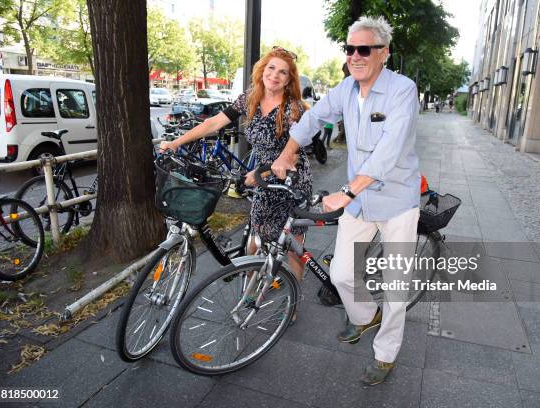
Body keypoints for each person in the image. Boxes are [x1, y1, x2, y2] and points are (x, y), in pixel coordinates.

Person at [271, 16, 420, 385]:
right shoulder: (346, 89)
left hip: (397, 199)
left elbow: (389, 151)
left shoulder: (403, 89)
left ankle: (385, 354)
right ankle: (366, 315)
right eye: (350, 49)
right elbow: (315, 117)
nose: (355, 55)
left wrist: (347, 191)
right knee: (340, 274)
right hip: (358, 201)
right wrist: (288, 151)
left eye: (363, 49)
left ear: (383, 53)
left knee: (396, 286)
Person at [160, 47, 312, 314]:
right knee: (256, 239)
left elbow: (294, 155)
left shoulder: (293, 109)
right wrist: (176, 142)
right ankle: (251, 295)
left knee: (292, 245)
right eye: (271, 68)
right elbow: (213, 123)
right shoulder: (249, 99)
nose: (275, 76)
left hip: (289, 181)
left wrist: (260, 173)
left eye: (282, 72)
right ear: (262, 70)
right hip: (262, 181)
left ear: (289, 80)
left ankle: (294, 303)